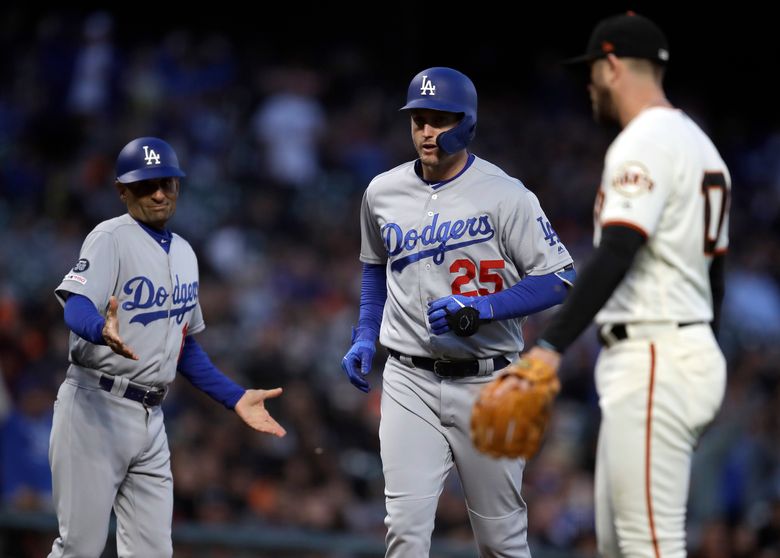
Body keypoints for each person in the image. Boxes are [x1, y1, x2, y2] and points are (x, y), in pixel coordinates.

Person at [473, 12, 731, 558]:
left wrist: (548, 348)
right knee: (619, 548)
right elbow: (717, 280)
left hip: (656, 354)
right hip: (678, 348)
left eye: (591, 70)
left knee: (647, 549)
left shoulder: (644, 141)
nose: (588, 84)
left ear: (612, 65)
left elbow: (618, 248)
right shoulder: (699, 144)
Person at [341, 67, 576, 557]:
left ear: (467, 123)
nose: (427, 132)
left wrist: (483, 308)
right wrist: (365, 333)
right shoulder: (382, 192)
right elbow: (373, 268)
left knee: (500, 539)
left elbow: (559, 278)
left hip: (488, 382)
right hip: (409, 381)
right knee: (404, 531)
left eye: (440, 120)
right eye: (419, 120)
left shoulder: (506, 194)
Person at [48, 137, 286, 558]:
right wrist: (98, 329)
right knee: (79, 549)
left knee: (153, 552)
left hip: (151, 417)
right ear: (123, 191)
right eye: (145, 185)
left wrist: (234, 398)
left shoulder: (185, 252)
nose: (159, 193)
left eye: (167, 184)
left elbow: (184, 345)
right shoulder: (110, 237)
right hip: (95, 407)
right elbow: (77, 304)